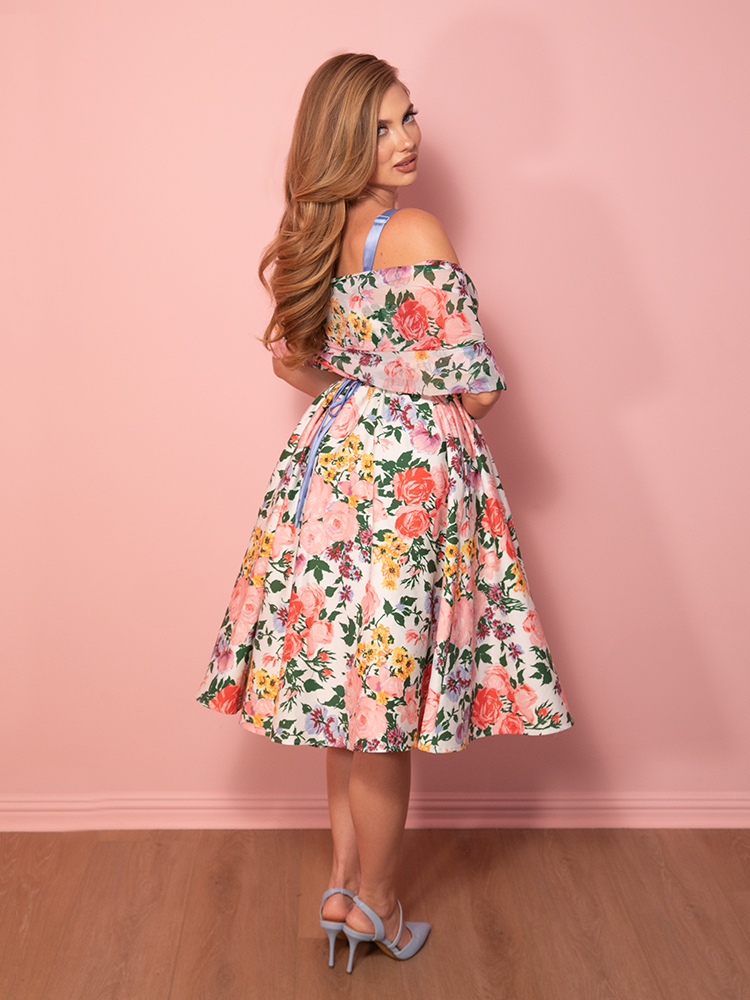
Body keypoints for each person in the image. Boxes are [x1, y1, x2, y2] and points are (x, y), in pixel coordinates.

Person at [196, 53, 573, 973]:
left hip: (329, 468)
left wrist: (363, 383)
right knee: (387, 710)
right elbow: (477, 389)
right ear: (339, 140)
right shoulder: (415, 230)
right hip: (410, 479)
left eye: (408, 117)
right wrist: (412, 388)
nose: (406, 140)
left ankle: (342, 885)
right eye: (379, 127)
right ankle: (381, 904)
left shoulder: (311, 234)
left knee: (347, 694)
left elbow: (291, 361)